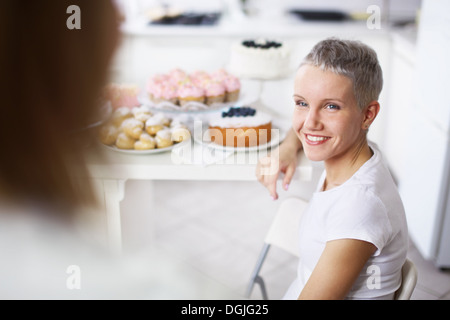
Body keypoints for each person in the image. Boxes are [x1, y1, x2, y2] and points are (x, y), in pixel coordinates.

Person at [256, 38, 408, 300]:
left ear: (368, 114)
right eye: (301, 103)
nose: (311, 122)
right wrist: (288, 147)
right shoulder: (354, 154)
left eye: (331, 107)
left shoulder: (359, 206)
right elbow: (307, 127)